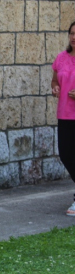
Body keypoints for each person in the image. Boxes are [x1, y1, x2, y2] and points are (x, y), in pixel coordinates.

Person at [51, 20, 75, 217]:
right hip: (65, 114)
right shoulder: (61, 58)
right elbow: (55, 80)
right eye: (72, 33)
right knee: (66, 155)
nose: (74, 37)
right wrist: (55, 88)